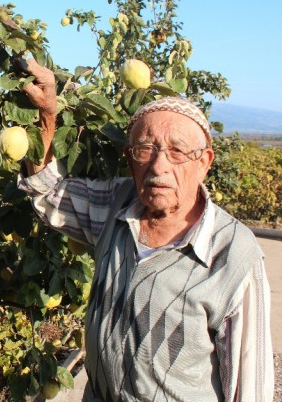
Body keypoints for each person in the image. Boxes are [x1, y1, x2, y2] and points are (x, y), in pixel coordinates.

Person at [17, 58, 274, 401]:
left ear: (204, 163)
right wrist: (47, 115)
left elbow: (249, 386)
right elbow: (48, 192)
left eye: (178, 151)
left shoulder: (232, 252)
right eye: (145, 150)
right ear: (129, 158)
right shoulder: (116, 206)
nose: (159, 166)